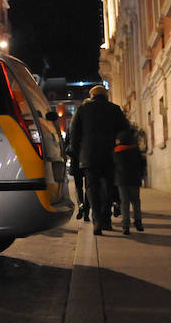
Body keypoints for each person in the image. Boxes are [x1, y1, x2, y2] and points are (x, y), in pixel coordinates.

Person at [68, 84, 129, 235]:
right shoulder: (115, 109)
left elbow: (73, 135)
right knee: (109, 187)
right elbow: (125, 132)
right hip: (110, 155)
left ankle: (97, 221)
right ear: (106, 95)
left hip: (89, 156)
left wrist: (79, 154)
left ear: (92, 95)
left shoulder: (82, 109)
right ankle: (106, 219)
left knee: (92, 187)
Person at [112, 130, 145, 235]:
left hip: (121, 181)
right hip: (134, 180)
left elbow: (113, 166)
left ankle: (125, 225)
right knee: (136, 201)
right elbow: (142, 164)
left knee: (124, 203)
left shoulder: (116, 152)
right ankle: (138, 221)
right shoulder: (135, 151)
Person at [65, 98, 92, 223]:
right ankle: (86, 210)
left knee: (78, 187)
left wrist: (73, 154)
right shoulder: (90, 126)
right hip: (87, 159)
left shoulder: (72, 125)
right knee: (89, 186)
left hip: (76, 160)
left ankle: (81, 205)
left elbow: (66, 145)